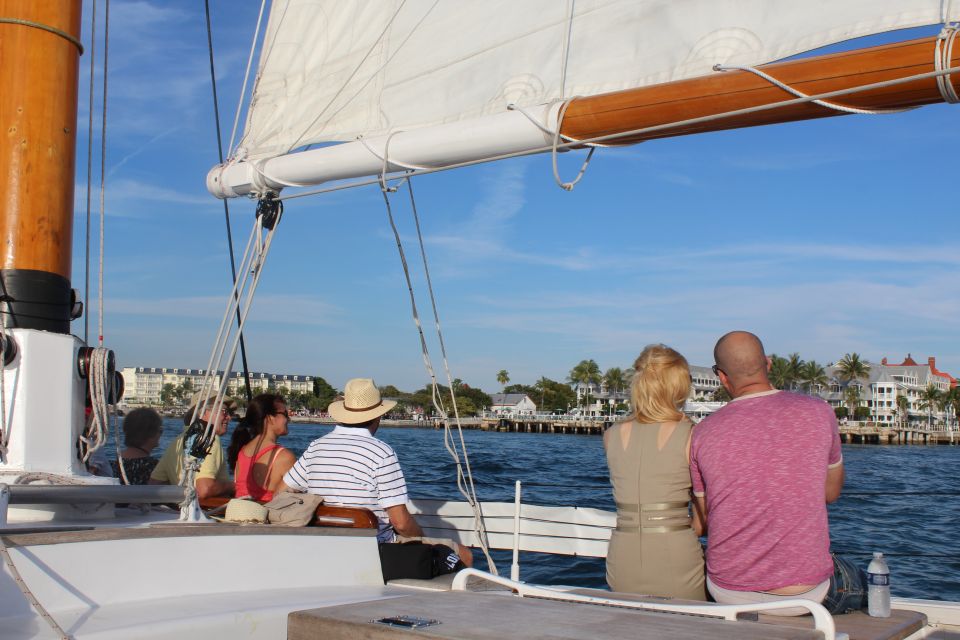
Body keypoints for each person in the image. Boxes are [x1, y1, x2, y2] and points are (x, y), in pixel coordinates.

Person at [690, 331, 855, 615]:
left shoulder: (702, 433)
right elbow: (831, 492)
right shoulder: (818, 412)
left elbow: (704, 518)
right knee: (860, 579)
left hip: (728, 592)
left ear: (721, 376)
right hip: (804, 594)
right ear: (768, 363)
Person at [283, 378, 472, 568]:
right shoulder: (381, 453)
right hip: (375, 554)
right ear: (377, 416)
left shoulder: (316, 447)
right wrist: (422, 540)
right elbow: (401, 524)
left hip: (325, 550)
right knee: (464, 555)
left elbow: (283, 491)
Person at [604, 344, 706, 600]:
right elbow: (704, 515)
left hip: (622, 553)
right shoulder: (692, 434)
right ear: (678, 386)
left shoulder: (612, 434)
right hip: (675, 550)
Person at [149, 392, 237, 500]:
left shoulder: (177, 442)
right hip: (205, 514)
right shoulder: (209, 439)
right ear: (203, 413)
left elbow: (154, 484)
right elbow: (204, 489)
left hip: (180, 513)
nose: (229, 418)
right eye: (224, 412)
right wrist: (235, 486)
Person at [227, 393, 296, 502]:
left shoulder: (242, 451)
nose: (288, 418)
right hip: (264, 516)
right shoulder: (283, 457)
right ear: (270, 418)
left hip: (238, 513)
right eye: (285, 414)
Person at [110, 407, 164, 485]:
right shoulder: (154, 469)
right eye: (160, 430)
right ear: (150, 433)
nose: (160, 435)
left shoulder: (114, 465)